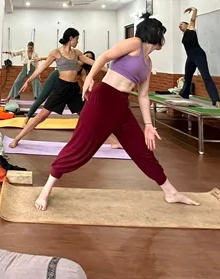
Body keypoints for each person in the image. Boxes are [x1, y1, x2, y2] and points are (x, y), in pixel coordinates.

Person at [34, 14, 199, 211]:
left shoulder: (148, 63)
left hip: (121, 106)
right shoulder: (135, 43)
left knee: (142, 150)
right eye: (162, 33)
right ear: (155, 34)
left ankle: (170, 192)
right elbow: (104, 57)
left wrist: (148, 125)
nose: (163, 38)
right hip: (103, 99)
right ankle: (46, 190)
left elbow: (143, 95)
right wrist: (89, 78)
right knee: (80, 148)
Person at [9, 29, 103, 148]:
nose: (78, 42)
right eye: (77, 39)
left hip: (74, 89)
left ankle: (113, 141)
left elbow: (94, 63)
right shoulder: (56, 52)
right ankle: (17, 138)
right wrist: (28, 80)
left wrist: (110, 70)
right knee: (41, 116)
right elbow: (42, 68)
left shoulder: (77, 53)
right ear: (70, 38)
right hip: (61, 87)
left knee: (88, 115)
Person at [179, 7, 220, 107]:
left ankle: (216, 100)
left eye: (181, 24)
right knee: (187, 77)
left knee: (206, 76)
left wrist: (193, 9)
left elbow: (193, 19)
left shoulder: (191, 28)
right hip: (190, 57)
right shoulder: (184, 35)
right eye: (179, 25)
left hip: (198, 54)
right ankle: (184, 94)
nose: (180, 26)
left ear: (187, 25)